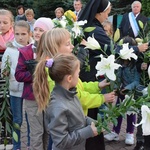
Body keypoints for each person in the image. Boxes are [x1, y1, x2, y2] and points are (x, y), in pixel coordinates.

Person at [78, 0, 148, 149]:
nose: (108, 15)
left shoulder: (92, 26)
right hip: (92, 76)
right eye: (107, 12)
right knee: (93, 115)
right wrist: (137, 49)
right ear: (99, 12)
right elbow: (113, 50)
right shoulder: (95, 30)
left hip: (91, 76)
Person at [35, 53, 99, 150]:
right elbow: (61, 142)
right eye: (78, 73)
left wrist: (90, 122)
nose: (79, 76)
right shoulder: (57, 107)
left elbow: (77, 117)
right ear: (69, 78)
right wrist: (88, 131)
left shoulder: (72, 94)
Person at [15, 17, 54, 150]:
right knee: (37, 133)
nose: (37, 32)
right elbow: (18, 75)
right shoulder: (26, 51)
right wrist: (36, 73)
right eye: (35, 29)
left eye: (41, 30)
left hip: (49, 96)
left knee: (48, 131)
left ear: (49, 32)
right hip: (32, 97)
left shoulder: (53, 51)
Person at [1, 20, 33, 150]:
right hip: (15, 89)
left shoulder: (34, 48)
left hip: (30, 89)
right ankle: (16, 145)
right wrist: (8, 72)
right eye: (18, 34)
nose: (20, 37)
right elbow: (4, 67)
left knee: (31, 119)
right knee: (17, 119)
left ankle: (32, 144)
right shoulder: (10, 50)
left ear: (29, 34)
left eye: (24, 34)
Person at [104, 36, 140, 145]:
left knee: (131, 113)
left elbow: (137, 81)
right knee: (117, 112)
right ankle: (115, 132)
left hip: (130, 93)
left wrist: (127, 88)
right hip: (121, 92)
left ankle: (129, 133)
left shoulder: (135, 64)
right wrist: (116, 87)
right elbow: (116, 77)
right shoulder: (119, 62)